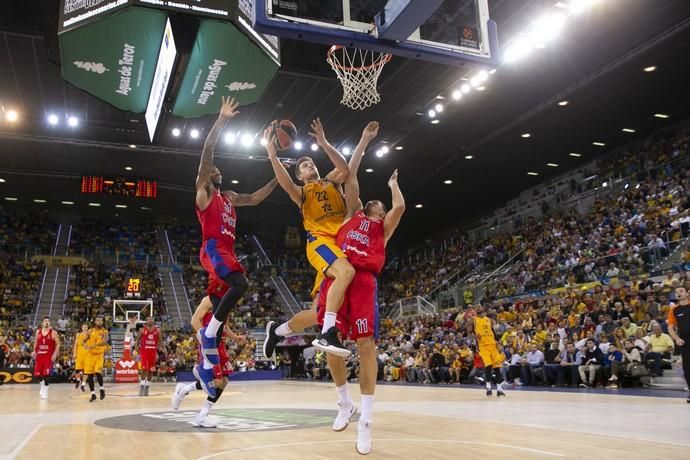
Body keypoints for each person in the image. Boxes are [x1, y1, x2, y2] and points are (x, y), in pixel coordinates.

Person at [263, 121, 380, 358]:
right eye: (305, 166)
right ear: (300, 175)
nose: (310, 166)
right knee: (347, 273)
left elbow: (345, 169)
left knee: (318, 309)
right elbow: (285, 183)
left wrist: (324, 143)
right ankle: (327, 333)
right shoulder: (302, 193)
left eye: (312, 163)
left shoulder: (330, 182)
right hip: (320, 242)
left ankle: (278, 330)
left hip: (338, 248)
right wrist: (272, 154)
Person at [315, 149, 404, 454]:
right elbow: (350, 176)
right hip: (340, 276)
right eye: (372, 203)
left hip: (364, 282)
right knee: (329, 342)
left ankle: (366, 419)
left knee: (366, 345)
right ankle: (344, 402)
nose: (373, 206)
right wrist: (363, 142)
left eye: (378, 206)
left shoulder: (384, 228)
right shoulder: (353, 214)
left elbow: (400, 207)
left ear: (381, 214)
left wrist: (392, 185)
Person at [194, 96, 278, 397]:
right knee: (240, 283)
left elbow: (255, 198)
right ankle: (210, 332)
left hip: (227, 250)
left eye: (216, 168)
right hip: (214, 249)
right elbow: (207, 152)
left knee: (221, 307)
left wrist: (278, 178)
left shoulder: (228, 196)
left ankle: (205, 374)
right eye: (210, 169)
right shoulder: (205, 196)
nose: (215, 168)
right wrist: (222, 119)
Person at [172, 293, 244, 427]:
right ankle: (184, 389)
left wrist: (234, 337)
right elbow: (194, 321)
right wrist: (206, 340)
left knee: (224, 381)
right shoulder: (209, 299)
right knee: (216, 381)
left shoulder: (228, 302)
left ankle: (202, 415)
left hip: (221, 345)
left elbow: (224, 326)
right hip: (209, 345)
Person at [471, 306, 507, 396]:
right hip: (483, 346)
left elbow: (492, 331)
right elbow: (470, 331)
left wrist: (498, 341)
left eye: (482, 312)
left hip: (493, 345)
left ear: (484, 312)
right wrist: (474, 337)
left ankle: (499, 389)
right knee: (488, 365)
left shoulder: (489, 320)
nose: (481, 313)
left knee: (497, 366)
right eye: (478, 312)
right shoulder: (474, 320)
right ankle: (488, 387)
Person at [667, 286, 690, 402]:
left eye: (681, 291)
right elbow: (670, 327)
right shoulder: (674, 309)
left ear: (687, 293)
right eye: (676, 292)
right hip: (685, 341)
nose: (678, 293)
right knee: (687, 369)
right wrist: (676, 339)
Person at [32, 317, 60, 400]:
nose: (47, 322)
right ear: (42, 323)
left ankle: (45, 392)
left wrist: (55, 354)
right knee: (37, 375)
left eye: (48, 321)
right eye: (45, 321)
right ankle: (42, 386)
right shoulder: (38, 332)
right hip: (40, 355)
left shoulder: (53, 332)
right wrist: (34, 351)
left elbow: (58, 344)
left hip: (48, 356)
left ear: (50, 323)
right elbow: (36, 342)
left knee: (46, 375)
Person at [83, 316, 108, 402]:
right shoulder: (90, 331)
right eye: (98, 320)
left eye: (101, 320)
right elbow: (84, 340)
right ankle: (93, 394)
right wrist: (84, 344)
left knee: (98, 372)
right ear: (95, 321)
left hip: (99, 355)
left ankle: (102, 389)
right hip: (90, 355)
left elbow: (104, 342)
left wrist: (95, 345)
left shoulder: (105, 331)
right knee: (89, 375)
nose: (99, 322)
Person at [136, 316, 162, 396]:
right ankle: (142, 386)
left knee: (151, 370)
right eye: (148, 319)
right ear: (146, 321)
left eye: (151, 319)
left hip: (153, 351)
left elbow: (160, 341)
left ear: (153, 321)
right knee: (144, 369)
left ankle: (147, 386)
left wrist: (162, 348)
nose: (150, 321)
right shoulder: (142, 330)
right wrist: (136, 347)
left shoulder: (157, 330)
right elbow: (137, 340)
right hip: (144, 351)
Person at [71, 323, 88, 392]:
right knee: (77, 370)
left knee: (86, 371)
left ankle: (83, 385)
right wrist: (74, 353)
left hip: (87, 355)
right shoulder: (78, 335)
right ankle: (78, 380)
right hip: (79, 354)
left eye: (86, 327)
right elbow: (75, 344)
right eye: (84, 327)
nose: (85, 328)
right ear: (82, 328)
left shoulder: (89, 335)